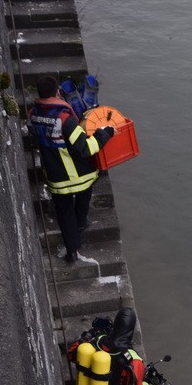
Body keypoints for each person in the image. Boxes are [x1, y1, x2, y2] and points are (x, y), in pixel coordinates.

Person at [28, 75, 115, 263]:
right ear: (57, 93)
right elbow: (84, 148)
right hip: (78, 175)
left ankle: (72, 251)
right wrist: (104, 134)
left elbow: (35, 135)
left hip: (55, 178)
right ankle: (81, 224)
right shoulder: (65, 120)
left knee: (64, 212)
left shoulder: (33, 115)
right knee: (84, 196)